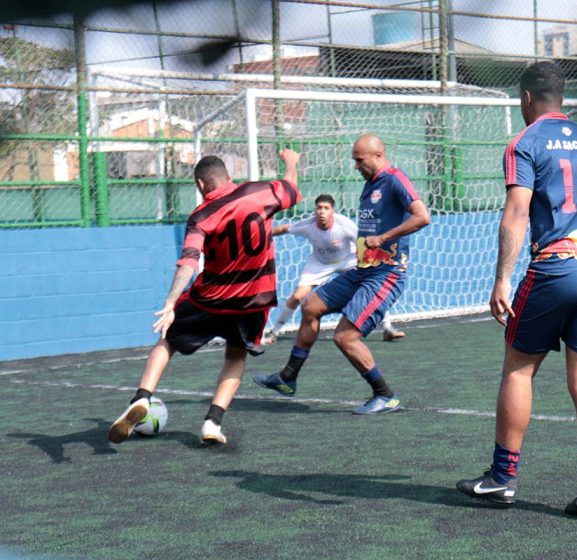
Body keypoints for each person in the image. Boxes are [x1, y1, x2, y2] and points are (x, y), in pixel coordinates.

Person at [455, 61, 577, 516]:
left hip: (556, 267)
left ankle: (501, 479)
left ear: (526, 98)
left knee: (519, 370)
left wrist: (501, 277)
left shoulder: (525, 142)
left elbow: (517, 212)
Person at [107, 149, 302, 445]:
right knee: (236, 357)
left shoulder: (201, 215)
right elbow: (290, 187)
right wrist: (290, 162)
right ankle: (212, 422)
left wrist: (171, 302)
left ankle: (142, 397)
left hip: (209, 298)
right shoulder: (260, 192)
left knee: (167, 339)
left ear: (200, 185)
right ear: (230, 178)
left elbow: (188, 260)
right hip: (253, 301)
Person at [254, 134, 430, 414]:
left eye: (359, 160)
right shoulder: (369, 185)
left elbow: (422, 216)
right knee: (310, 306)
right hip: (362, 271)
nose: (356, 165)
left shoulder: (396, 179)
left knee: (344, 337)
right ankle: (288, 378)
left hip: (386, 274)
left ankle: (385, 395)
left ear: (378, 155)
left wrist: (384, 237)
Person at [262, 194, 406, 345]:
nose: (322, 212)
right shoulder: (308, 225)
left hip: (347, 261)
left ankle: (387, 328)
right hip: (319, 263)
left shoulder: (344, 225)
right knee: (298, 296)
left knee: (371, 287)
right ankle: (274, 332)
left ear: (333, 211)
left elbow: (361, 241)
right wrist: (262, 234)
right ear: (315, 210)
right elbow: (285, 228)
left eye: (326, 208)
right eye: (319, 208)